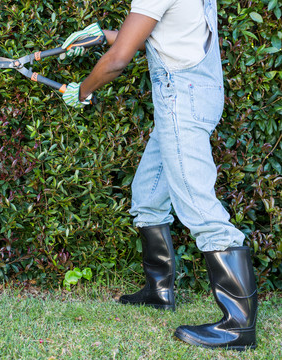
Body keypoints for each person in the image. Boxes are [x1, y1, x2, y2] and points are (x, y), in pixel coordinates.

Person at [60, 0, 258, 351]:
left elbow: (120, 59)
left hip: (182, 99)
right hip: (196, 95)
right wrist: (101, 35)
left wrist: (83, 90)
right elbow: (167, 34)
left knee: (199, 207)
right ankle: (159, 291)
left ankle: (238, 325)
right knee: (149, 195)